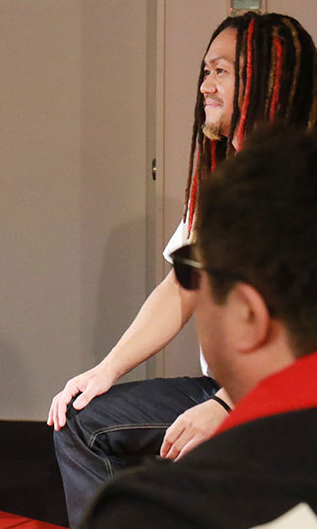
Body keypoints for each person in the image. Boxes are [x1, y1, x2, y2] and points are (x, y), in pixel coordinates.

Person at [47, 11, 317, 526]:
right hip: (227, 386)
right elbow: (180, 286)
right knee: (81, 421)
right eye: (205, 71)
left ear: (266, 78)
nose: (205, 86)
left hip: (289, 400)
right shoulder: (224, 179)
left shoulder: (298, 185)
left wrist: (230, 405)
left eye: (222, 72)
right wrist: (105, 370)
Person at [84, 127, 317, 528]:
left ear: (248, 314)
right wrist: (107, 368)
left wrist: (224, 405)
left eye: (192, 272)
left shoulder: (158, 512)